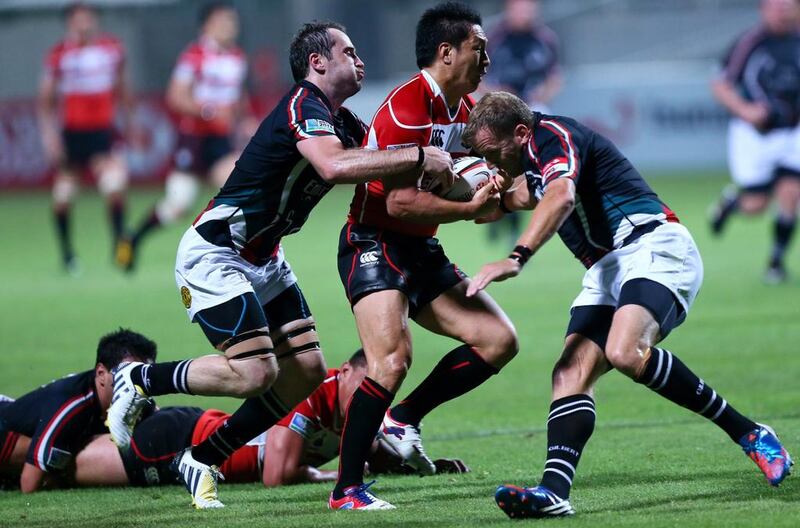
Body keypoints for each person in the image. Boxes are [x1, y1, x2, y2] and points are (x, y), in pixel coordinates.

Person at [106, 21, 455, 509]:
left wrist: (461, 171)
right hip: (216, 252)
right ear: (318, 62)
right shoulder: (303, 106)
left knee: (308, 369)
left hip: (266, 258)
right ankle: (139, 379)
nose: (360, 60)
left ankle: (202, 457)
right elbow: (335, 166)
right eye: (349, 52)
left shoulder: (343, 120)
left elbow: (381, 159)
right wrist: (419, 155)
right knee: (255, 374)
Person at [461, 91, 793, 518]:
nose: (491, 161)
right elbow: (512, 197)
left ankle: (750, 433)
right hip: (609, 269)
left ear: (521, 133)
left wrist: (515, 256)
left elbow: (559, 196)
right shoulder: (530, 159)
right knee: (569, 372)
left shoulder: (553, 135)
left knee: (623, 351)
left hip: (654, 245)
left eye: (493, 152)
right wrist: (476, 199)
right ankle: (553, 492)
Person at [330, 2, 518, 511]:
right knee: (391, 360)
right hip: (373, 242)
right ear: (446, 51)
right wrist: (468, 205)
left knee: (499, 341)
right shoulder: (406, 107)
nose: (487, 57)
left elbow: (477, 201)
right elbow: (396, 201)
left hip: (418, 247)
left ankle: (403, 420)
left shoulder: (462, 111)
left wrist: (494, 193)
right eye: (479, 48)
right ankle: (346, 490)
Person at [58, 350, 468, 490]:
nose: (368, 397)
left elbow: (376, 457)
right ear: (342, 372)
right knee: (59, 471)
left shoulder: (359, 409)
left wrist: (425, 468)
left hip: (195, 445)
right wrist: (327, 478)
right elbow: (276, 473)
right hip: (180, 442)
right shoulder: (309, 394)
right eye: (361, 385)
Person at [118, 2, 255, 271]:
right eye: (223, 20)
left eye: (232, 20)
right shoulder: (194, 55)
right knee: (178, 204)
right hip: (194, 141)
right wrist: (207, 110)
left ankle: (235, 256)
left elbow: (238, 95)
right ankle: (132, 238)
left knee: (240, 192)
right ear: (207, 25)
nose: (230, 26)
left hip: (221, 142)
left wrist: (245, 118)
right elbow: (176, 96)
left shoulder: (237, 57)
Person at [709, 0, 800, 283]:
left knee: (790, 192)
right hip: (754, 135)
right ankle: (732, 204)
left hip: (792, 131)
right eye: (777, 5)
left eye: (790, 5)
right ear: (764, 9)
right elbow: (720, 84)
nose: (783, 11)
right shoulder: (750, 43)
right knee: (756, 205)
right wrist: (746, 111)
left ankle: (775, 262)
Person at [38, 2, 133, 274]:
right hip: (73, 136)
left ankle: (119, 248)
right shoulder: (59, 54)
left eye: (88, 18)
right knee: (63, 196)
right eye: (78, 19)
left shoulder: (112, 49)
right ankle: (68, 255)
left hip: (103, 133)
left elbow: (123, 88)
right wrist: (49, 137)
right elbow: (45, 100)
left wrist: (130, 123)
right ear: (69, 23)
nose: (84, 24)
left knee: (114, 186)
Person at [0, 329, 157, 492]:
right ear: (101, 373)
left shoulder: (139, 399)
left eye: (144, 376)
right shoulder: (71, 408)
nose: (137, 386)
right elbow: (29, 485)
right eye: (128, 375)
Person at [482, 0, 562, 246]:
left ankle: (515, 215)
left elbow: (555, 77)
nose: (525, 12)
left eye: (529, 7)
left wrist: (542, 94)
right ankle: (494, 210)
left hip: (531, 109)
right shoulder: (494, 39)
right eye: (520, 7)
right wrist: (496, 95)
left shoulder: (544, 39)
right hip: (499, 109)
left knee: (528, 163)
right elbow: (478, 77)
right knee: (496, 164)